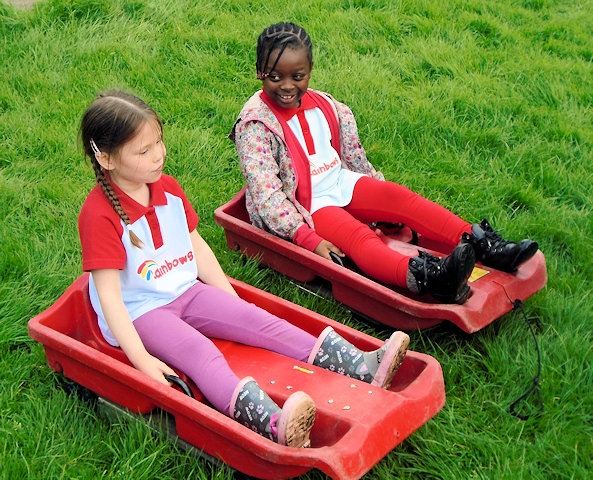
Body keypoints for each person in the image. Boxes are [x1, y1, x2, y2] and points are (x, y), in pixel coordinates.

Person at [78, 89, 410, 449]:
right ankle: (272, 423)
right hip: (142, 310)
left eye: (158, 141)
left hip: (185, 291)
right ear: (107, 159)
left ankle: (360, 365)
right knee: (200, 353)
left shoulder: (167, 188)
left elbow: (196, 246)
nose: (159, 155)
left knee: (259, 321)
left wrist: (233, 301)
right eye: (143, 151)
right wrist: (141, 359)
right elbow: (110, 298)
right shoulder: (99, 215)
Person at [230, 22, 539, 305]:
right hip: (305, 206)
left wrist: (382, 203)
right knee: (358, 237)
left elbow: (355, 158)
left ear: (310, 70)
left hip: (338, 182)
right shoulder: (256, 126)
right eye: (275, 76)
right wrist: (308, 239)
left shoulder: (328, 106)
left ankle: (483, 245)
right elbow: (267, 197)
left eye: (297, 76)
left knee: (400, 198)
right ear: (259, 71)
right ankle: (428, 277)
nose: (287, 86)